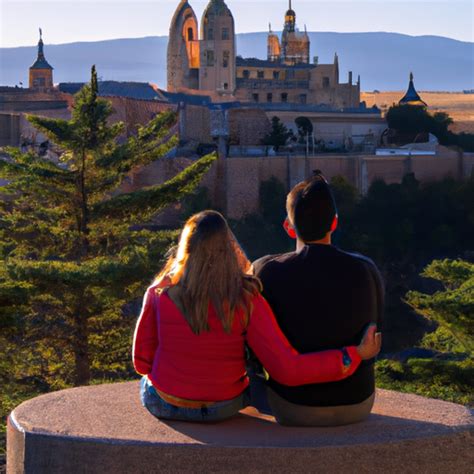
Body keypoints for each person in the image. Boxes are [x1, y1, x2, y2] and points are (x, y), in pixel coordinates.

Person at [133, 210, 381, 423]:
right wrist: (353, 355)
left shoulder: (158, 294)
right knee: (253, 373)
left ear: (185, 249)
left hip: (165, 403)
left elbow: (141, 363)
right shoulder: (245, 298)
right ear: (229, 249)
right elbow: (288, 369)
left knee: (148, 381)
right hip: (224, 406)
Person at [252, 173, 385, 426]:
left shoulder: (265, 270)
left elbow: (253, 349)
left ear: (288, 227)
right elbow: (374, 341)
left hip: (292, 406)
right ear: (334, 223)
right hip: (358, 403)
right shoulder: (366, 269)